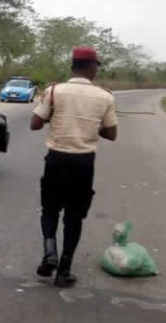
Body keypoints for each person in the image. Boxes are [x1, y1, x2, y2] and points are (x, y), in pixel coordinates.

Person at [30, 46, 118, 288]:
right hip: (83, 164)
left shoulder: (54, 91)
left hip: (56, 160)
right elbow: (112, 134)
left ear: (73, 66)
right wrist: (93, 123)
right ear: (91, 68)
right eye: (96, 66)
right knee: (74, 217)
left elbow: (34, 124)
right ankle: (64, 270)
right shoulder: (105, 97)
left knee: (49, 210)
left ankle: (50, 253)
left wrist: (50, 114)